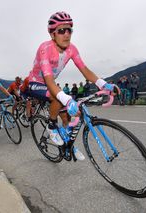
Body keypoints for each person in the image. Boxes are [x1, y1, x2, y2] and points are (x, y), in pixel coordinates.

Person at [26, 11, 117, 161]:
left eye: (69, 30)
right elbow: (49, 81)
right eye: (61, 30)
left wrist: (104, 84)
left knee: (67, 117)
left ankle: (68, 145)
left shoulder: (72, 49)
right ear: (52, 34)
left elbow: (85, 71)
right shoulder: (45, 48)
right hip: (36, 83)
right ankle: (51, 126)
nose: (66, 34)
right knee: (58, 97)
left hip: (51, 85)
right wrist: (67, 100)